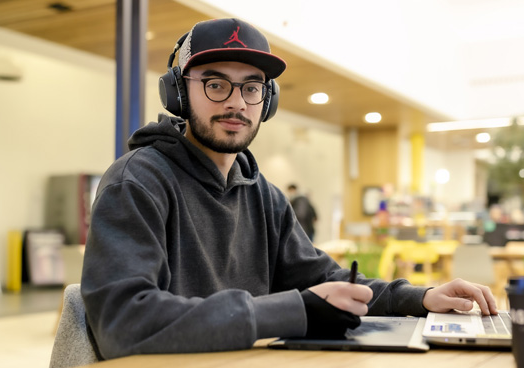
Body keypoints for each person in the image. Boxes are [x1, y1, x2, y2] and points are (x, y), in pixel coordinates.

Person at [80, 18, 498, 361]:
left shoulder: (263, 195)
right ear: (177, 91)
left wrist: (420, 297)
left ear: (268, 100)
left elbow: (328, 280)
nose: (237, 104)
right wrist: (294, 309)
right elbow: (123, 321)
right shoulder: (136, 182)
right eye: (215, 83)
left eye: (251, 87)